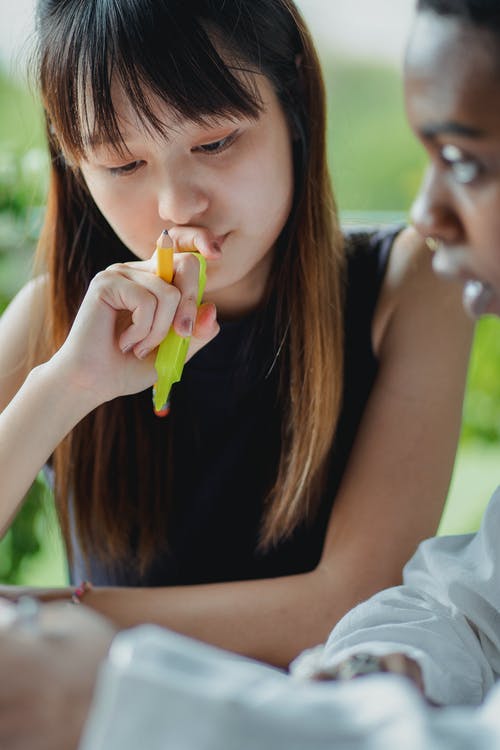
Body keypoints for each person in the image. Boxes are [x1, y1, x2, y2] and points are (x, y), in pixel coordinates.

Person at [0, 1, 498, 749]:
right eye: (122, 164)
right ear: (71, 158)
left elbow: (348, 599)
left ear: (292, 94)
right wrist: (66, 386)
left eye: (218, 141)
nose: (177, 205)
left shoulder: (411, 280)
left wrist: (49, 623)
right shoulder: (59, 320)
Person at [297, 0, 500, 709]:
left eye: (463, 162)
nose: (423, 213)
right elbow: (472, 612)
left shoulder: (395, 291)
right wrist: (388, 664)